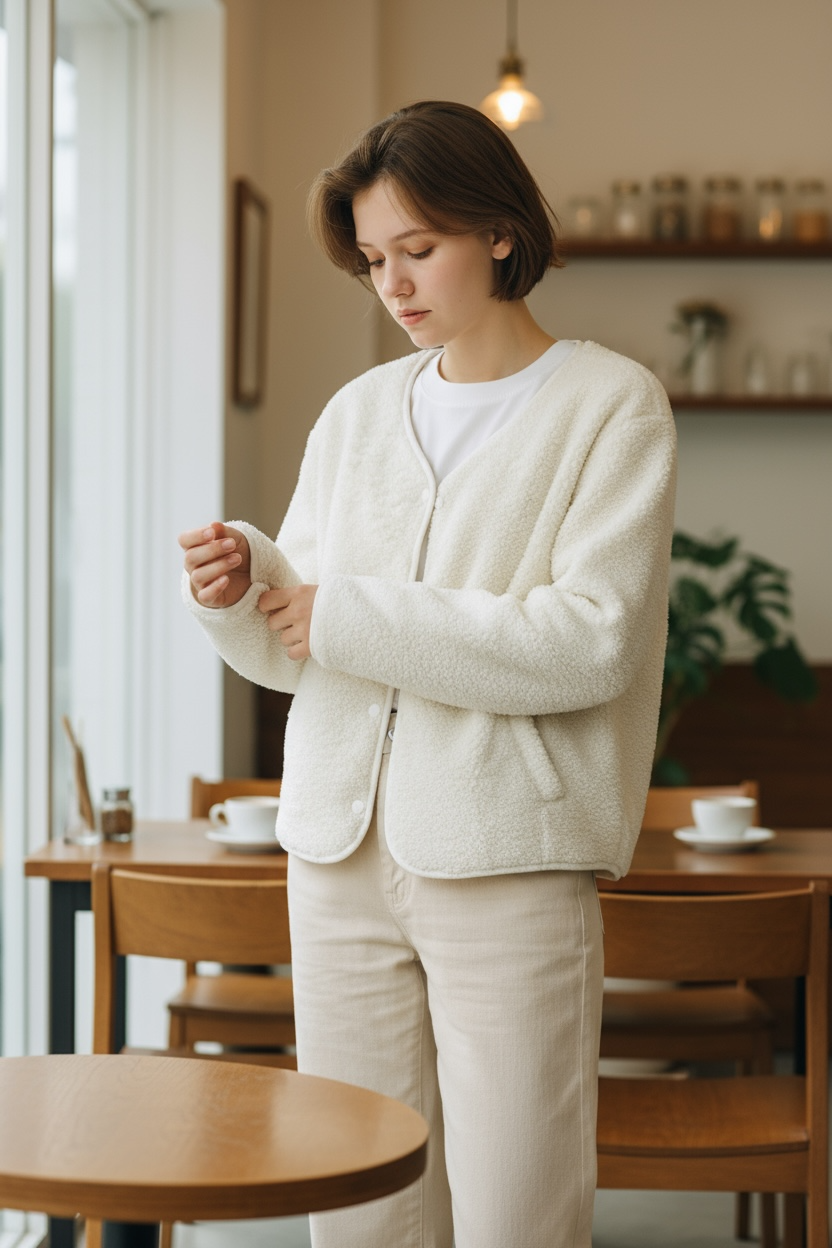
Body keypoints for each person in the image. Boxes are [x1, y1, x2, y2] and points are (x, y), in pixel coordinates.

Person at [179, 100, 676, 1248]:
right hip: (337, 855)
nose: (392, 286)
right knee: (356, 1203)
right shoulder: (359, 413)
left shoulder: (609, 406)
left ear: (499, 232)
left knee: (518, 1210)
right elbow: (301, 644)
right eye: (372, 260)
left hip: (506, 858)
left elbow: (590, 640)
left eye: (418, 249)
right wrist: (242, 584)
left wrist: (343, 615)